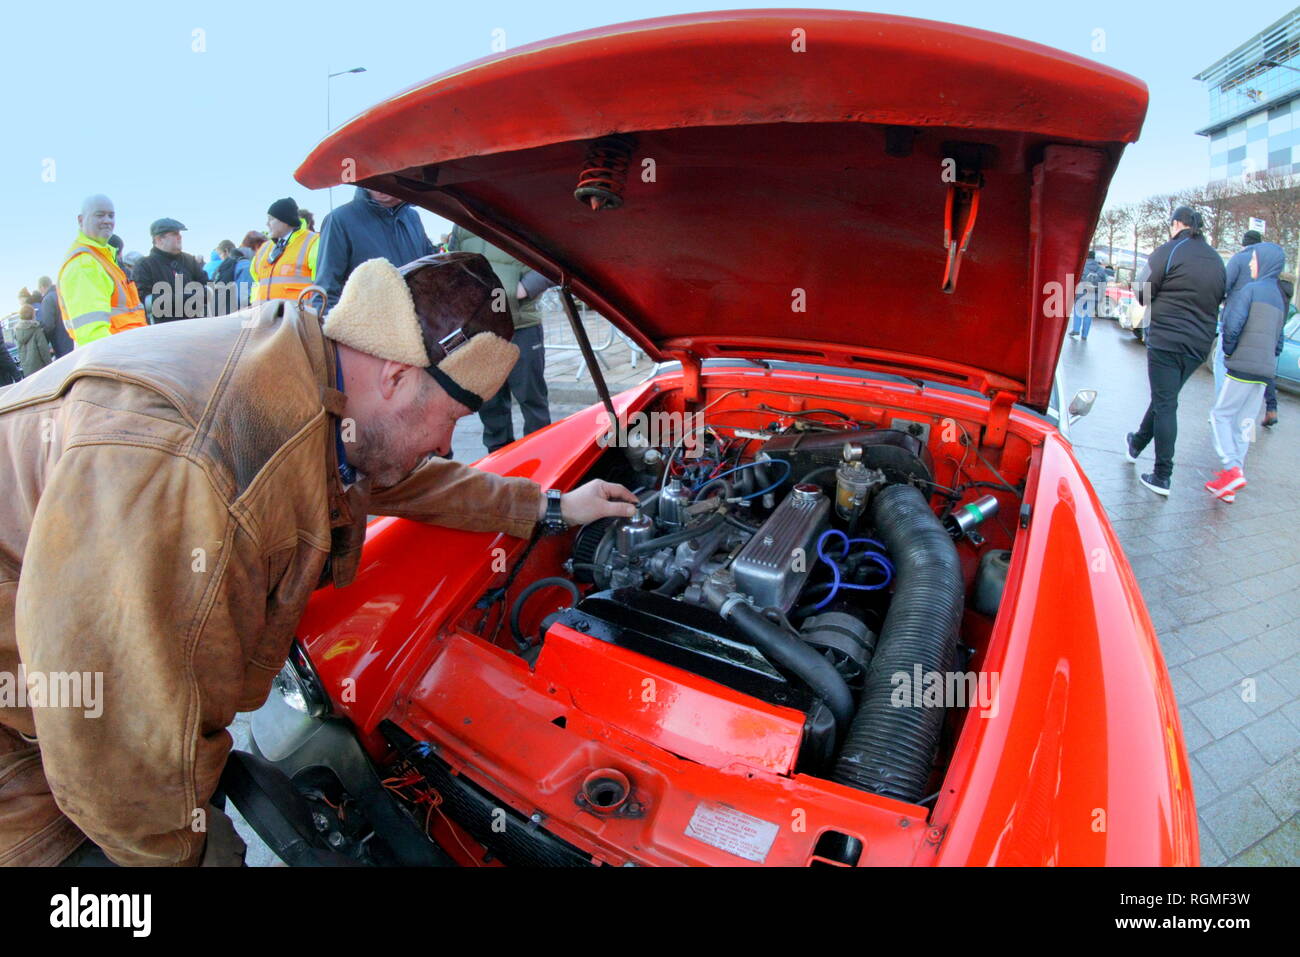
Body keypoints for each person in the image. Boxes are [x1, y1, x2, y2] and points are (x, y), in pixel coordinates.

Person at [0, 251, 638, 866]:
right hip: (29, 754)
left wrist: (551, 509)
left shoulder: (316, 380)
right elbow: (110, 722)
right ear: (395, 375)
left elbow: (411, 478)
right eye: (452, 418)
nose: (449, 442)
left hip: (86, 722)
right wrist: (179, 851)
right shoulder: (193, 464)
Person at [1124, 207, 1226, 496]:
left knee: (1166, 403)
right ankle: (1137, 442)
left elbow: (1142, 292)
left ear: (1177, 224)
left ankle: (1162, 475)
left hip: (1167, 339)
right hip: (1198, 346)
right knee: (1165, 397)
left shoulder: (1169, 250)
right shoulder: (1217, 261)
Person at [448, 225, 553, 452]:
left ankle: (542, 455)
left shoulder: (522, 209)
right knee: (490, 402)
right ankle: (499, 459)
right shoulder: (461, 219)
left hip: (522, 325)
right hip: (480, 327)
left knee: (531, 399)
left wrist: (524, 288)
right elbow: (453, 261)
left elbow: (554, 260)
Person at [1205, 243, 1288, 501]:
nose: (1251, 264)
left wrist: (1229, 352)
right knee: (1245, 423)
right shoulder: (1280, 297)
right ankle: (1231, 482)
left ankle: (1231, 467)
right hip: (1264, 371)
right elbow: (1279, 340)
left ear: (1264, 262)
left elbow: (1233, 325)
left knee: (1220, 415)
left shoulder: (1250, 290)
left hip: (1242, 366)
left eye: (1253, 260)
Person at [315, 188, 434, 311]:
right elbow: (325, 293)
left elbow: (431, 274)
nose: (382, 183)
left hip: (419, 324)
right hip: (367, 326)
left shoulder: (413, 218)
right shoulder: (338, 219)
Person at [55, 195, 146, 347]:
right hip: (118, 359)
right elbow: (93, 336)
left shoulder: (101, 258)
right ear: (80, 220)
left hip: (128, 353)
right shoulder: (84, 264)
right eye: (100, 215)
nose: (107, 220)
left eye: (111, 215)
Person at [1213, 230, 1263, 397]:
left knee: (1221, 361)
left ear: (1244, 243)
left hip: (1232, 320)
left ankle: (1222, 403)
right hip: (1254, 324)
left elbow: (1224, 286)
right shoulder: (1265, 264)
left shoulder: (1239, 259)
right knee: (1242, 367)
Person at [131, 218, 210, 323]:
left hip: (195, 326)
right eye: (174, 234)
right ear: (159, 239)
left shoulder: (189, 260)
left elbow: (208, 287)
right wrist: (190, 297)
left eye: (179, 233)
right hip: (164, 331)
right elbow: (145, 301)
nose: (180, 237)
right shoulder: (144, 265)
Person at [249, 198, 319, 303]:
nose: (267, 224)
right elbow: (257, 283)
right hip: (264, 315)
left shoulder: (312, 242)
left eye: (271, 219)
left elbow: (322, 283)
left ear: (285, 221)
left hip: (298, 316)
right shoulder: (264, 249)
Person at [1261, 274, 1295, 429]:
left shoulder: (1274, 292)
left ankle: (1269, 410)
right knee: (1267, 376)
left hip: (1266, 337)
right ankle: (1271, 409)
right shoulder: (1287, 295)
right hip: (1276, 339)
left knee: (1260, 376)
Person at [1068, 249, 1108, 340]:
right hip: (1093, 295)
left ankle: (1076, 329)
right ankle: (1085, 335)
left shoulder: (1082, 266)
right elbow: (1104, 284)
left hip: (1081, 293)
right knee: (1088, 314)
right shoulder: (1101, 269)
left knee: (1078, 311)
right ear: (1094, 258)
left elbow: (1075, 279)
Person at [12, 303, 53, 376]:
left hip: (27, 370)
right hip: (40, 369)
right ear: (33, 315)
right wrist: (50, 365)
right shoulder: (36, 330)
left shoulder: (17, 331)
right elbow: (44, 351)